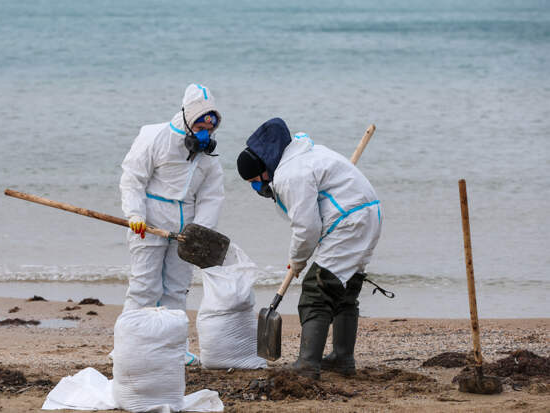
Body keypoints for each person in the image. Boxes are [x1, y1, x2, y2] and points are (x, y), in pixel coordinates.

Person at [236, 118, 382, 379]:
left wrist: (297, 260)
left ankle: (307, 365)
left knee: (318, 290)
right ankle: (342, 358)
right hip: (367, 215)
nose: (257, 187)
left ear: (265, 165)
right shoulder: (305, 155)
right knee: (345, 289)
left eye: (255, 180)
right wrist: (302, 254)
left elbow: (307, 228)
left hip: (349, 222)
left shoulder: (291, 175)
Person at [120, 84, 224, 364]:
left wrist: (199, 232)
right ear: (189, 118)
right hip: (149, 225)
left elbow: (211, 196)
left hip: (185, 232)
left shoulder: (209, 158)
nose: (206, 130)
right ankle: (130, 349)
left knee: (177, 291)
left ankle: (172, 351)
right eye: (201, 123)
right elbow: (133, 178)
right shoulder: (154, 136)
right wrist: (135, 214)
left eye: (212, 126)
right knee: (144, 287)